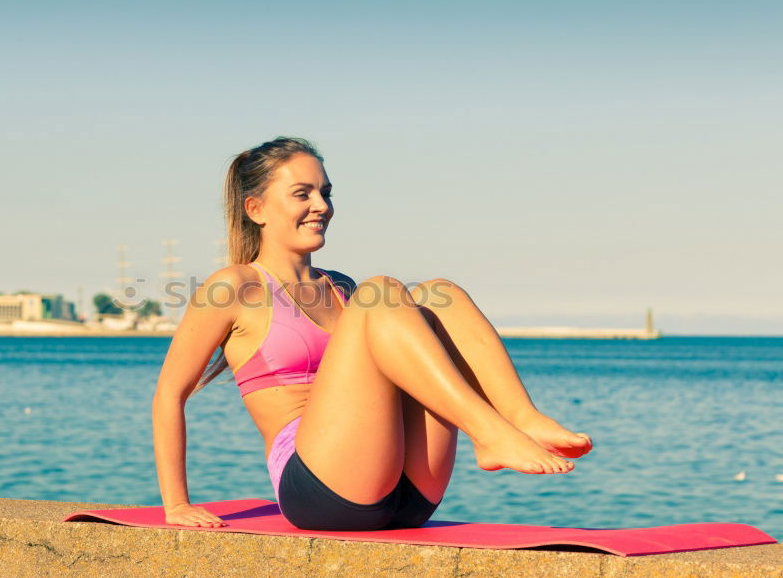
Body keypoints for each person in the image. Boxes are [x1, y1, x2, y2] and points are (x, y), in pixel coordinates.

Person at [152, 136, 592, 531]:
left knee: (440, 294)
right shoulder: (235, 285)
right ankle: (488, 430)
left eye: (325, 193)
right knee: (382, 291)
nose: (322, 205)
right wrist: (176, 504)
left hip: (407, 494)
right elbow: (170, 393)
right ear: (257, 209)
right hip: (319, 490)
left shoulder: (343, 288)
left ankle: (520, 418)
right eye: (302, 194)